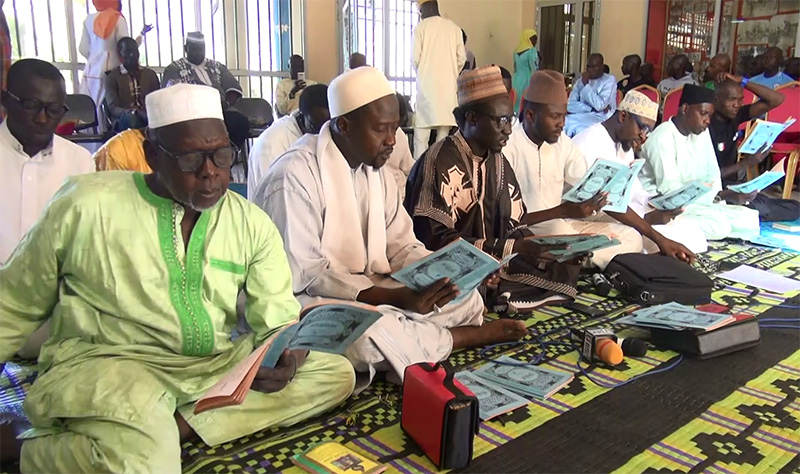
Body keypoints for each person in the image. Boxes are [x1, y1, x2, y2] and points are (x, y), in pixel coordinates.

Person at [0, 83, 355, 473]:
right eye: (190, 159)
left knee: (335, 372)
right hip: (110, 367)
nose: (210, 174)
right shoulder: (85, 204)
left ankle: (176, 427)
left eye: (221, 155)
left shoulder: (249, 222)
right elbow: (13, 303)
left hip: (208, 367)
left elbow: (277, 321)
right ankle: (26, 450)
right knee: (147, 466)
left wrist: (290, 353)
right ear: (152, 154)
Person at [256, 67, 526, 386]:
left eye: (396, 128)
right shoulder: (294, 177)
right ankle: (459, 338)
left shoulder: (378, 174)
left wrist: (444, 275)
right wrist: (394, 299)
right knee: (367, 336)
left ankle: (417, 342)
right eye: (381, 129)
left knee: (467, 298)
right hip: (312, 298)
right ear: (343, 125)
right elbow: (307, 276)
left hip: (377, 286)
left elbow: (402, 246)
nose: (391, 141)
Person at [405, 66, 583, 302]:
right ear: (471, 118)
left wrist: (543, 250)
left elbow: (514, 223)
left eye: (509, 120)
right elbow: (433, 238)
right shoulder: (440, 160)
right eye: (500, 121)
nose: (508, 130)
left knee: (560, 268)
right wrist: (503, 251)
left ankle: (500, 290)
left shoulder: (498, 161)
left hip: (493, 259)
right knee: (460, 284)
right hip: (451, 267)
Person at [505, 70, 693, 269]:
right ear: (530, 115)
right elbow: (506, 220)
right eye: (555, 116)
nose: (562, 124)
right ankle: (573, 259)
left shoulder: (562, 144)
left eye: (564, 116)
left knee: (631, 237)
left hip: (565, 221)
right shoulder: (509, 148)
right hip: (529, 228)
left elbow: (604, 196)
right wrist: (562, 211)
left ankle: (575, 258)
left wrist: (658, 238)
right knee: (563, 235)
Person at [573, 91, 708, 254]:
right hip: (588, 219)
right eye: (642, 127)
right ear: (623, 116)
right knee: (642, 239)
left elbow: (635, 190)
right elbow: (603, 204)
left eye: (648, 131)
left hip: (628, 213)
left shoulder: (624, 144)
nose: (643, 137)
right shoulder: (590, 142)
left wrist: (656, 202)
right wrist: (647, 221)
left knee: (693, 232)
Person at [0, 59, 94, 264]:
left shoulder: (80, 163)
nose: (42, 119)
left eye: (53, 110)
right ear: (5, 100)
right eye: (32, 105)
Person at [640, 84, 760, 241]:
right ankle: (669, 227)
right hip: (666, 205)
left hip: (697, 201)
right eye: (703, 114)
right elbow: (669, 189)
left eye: (710, 115)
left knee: (749, 218)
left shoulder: (702, 133)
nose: (707, 121)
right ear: (685, 109)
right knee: (719, 226)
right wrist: (718, 196)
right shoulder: (662, 137)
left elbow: (712, 172)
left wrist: (720, 196)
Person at [709, 75, 799, 222]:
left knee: (793, 207)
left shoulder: (735, 116)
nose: (737, 105)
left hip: (733, 186)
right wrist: (746, 163)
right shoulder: (705, 126)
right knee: (763, 208)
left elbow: (776, 100)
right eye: (732, 99)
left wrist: (744, 82)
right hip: (713, 189)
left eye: (740, 99)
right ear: (717, 100)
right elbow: (705, 177)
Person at [162, 32, 250, 149]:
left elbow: (233, 89)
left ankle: (228, 155)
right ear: (185, 48)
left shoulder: (217, 66)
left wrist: (226, 103)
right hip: (192, 116)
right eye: (194, 49)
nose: (198, 52)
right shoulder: (174, 69)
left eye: (201, 49)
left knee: (239, 122)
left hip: (220, 112)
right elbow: (172, 96)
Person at [248, 84, 330, 199]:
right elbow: (273, 198)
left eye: (328, 126)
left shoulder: (324, 134)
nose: (321, 133)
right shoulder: (272, 145)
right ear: (302, 116)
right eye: (316, 127)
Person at [79, 1, 150, 128]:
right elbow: (126, 45)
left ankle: (92, 145)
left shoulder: (88, 20)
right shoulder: (118, 19)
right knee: (109, 113)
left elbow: (83, 49)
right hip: (113, 71)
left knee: (92, 114)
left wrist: (95, 57)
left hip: (91, 73)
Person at [412, 0, 466, 160]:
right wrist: (451, 73)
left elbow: (415, 59)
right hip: (447, 93)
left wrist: (424, 73)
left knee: (421, 139)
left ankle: (419, 176)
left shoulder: (420, 28)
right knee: (442, 139)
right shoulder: (454, 29)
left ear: (424, 10)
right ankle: (438, 173)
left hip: (427, 92)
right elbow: (461, 58)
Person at [104, 36, 159, 131]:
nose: (132, 55)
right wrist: (133, 112)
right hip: (125, 117)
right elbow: (113, 108)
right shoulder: (113, 77)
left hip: (148, 115)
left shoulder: (150, 75)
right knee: (132, 119)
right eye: (127, 52)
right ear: (120, 55)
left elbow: (157, 101)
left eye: (135, 51)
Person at [564, 53, 617, 137]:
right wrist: (590, 109)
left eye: (593, 67)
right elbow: (570, 105)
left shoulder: (609, 80)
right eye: (588, 66)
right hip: (582, 115)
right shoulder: (581, 80)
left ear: (602, 67)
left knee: (581, 130)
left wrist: (586, 85)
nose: (589, 70)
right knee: (564, 122)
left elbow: (600, 105)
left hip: (601, 117)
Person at [386, 92, 415, 198]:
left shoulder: (399, 135)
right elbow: (408, 167)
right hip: (397, 192)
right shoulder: (399, 134)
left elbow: (409, 168)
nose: (391, 141)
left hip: (398, 194)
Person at [511, 28, 539, 114]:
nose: (535, 42)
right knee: (525, 103)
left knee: (515, 102)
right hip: (528, 79)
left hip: (516, 79)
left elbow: (515, 66)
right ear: (527, 39)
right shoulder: (531, 51)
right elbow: (534, 67)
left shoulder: (516, 51)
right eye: (533, 39)